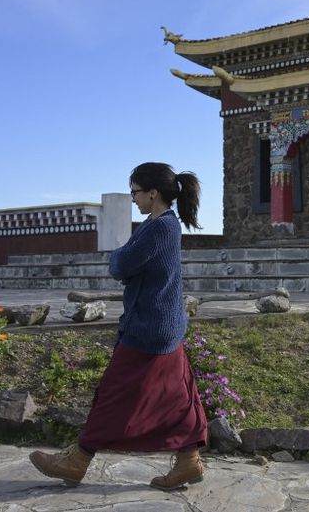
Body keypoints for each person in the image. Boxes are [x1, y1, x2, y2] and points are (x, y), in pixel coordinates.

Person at [29, 162, 208, 490]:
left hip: (149, 328)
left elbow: (121, 264)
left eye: (135, 192)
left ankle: (78, 460)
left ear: (152, 193)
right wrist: (126, 261)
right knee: (178, 395)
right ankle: (188, 461)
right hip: (164, 326)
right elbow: (129, 264)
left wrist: (121, 260)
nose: (134, 199)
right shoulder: (160, 225)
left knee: (114, 393)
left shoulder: (159, 228)